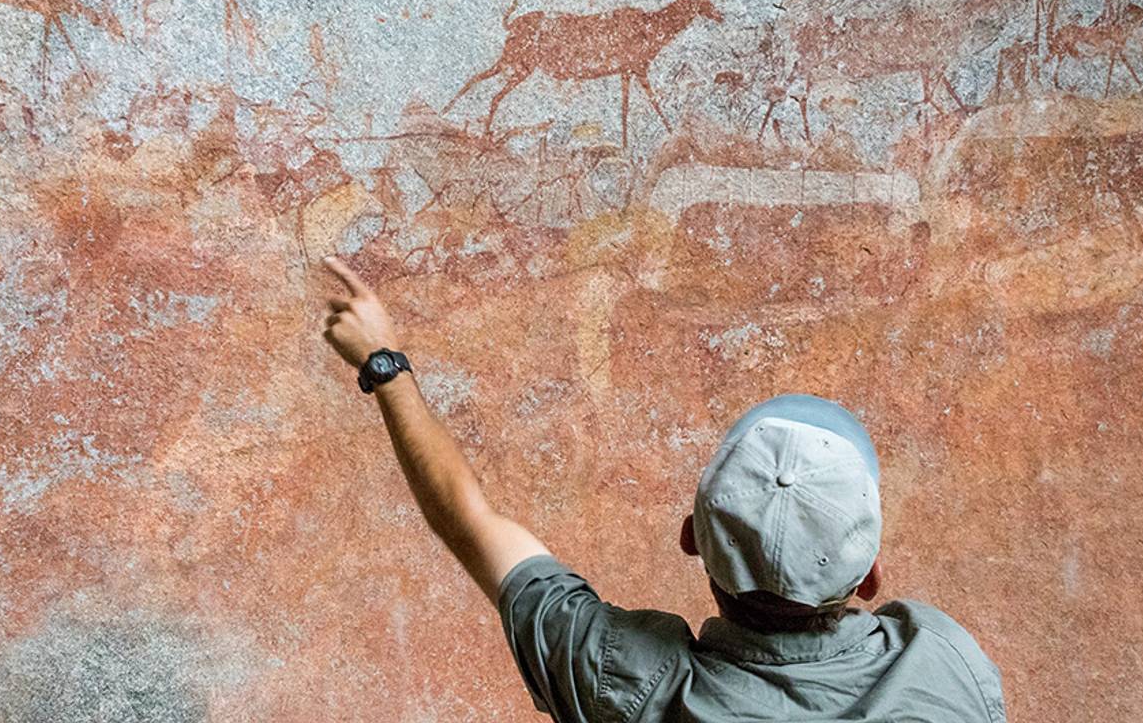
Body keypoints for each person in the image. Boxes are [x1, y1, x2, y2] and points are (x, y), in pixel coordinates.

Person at [320, 254, 1007, 722]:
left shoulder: (624, 679)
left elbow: (471, 521)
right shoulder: (943, 663)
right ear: (870, 577)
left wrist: (386, 365)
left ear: (691, 540)